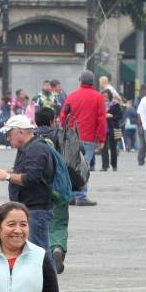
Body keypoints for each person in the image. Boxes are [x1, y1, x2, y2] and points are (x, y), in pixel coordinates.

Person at [0, 114, 55, 251]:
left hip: (37, 209)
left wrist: (7, 176)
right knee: (33, 250)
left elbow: (32, 178)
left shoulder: (36, 149)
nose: (7, 138)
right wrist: (7, 172)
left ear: (20, 131)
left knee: (40, 251)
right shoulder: (27, 147)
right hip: (30, 208)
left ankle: (47, 273)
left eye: (9, 134)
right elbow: (25, 171)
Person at [32, 106, 71, 273]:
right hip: (59, 187)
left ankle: (45, 256)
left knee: (41, 224)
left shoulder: (31, 138)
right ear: (51, 120)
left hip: (38, 189)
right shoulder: (59, 135)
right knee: (59, 222)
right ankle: (57, 248)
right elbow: (79, 152)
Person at [59, 70, 105, 206]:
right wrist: (101, 138)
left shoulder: (72, 96)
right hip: (88, 137)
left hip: (71, 136)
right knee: (84, 166)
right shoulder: (98, 97)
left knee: (72, 165)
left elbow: (63, 115)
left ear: (80, 81)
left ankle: (72, 195)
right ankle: (81, 195)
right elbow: (101, 119)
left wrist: (65, 131)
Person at [101, 89, 123, 171]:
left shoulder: (115, 104)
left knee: (113, 147)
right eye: (103, 96)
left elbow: (120, 116)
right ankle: (105, 165)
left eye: (106, 96)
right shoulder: (99, 104)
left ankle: (114, 165)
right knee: (103, 147)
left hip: (114, 128)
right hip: (103, 128)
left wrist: (111, 115)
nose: (104, 98)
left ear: (110, 96)